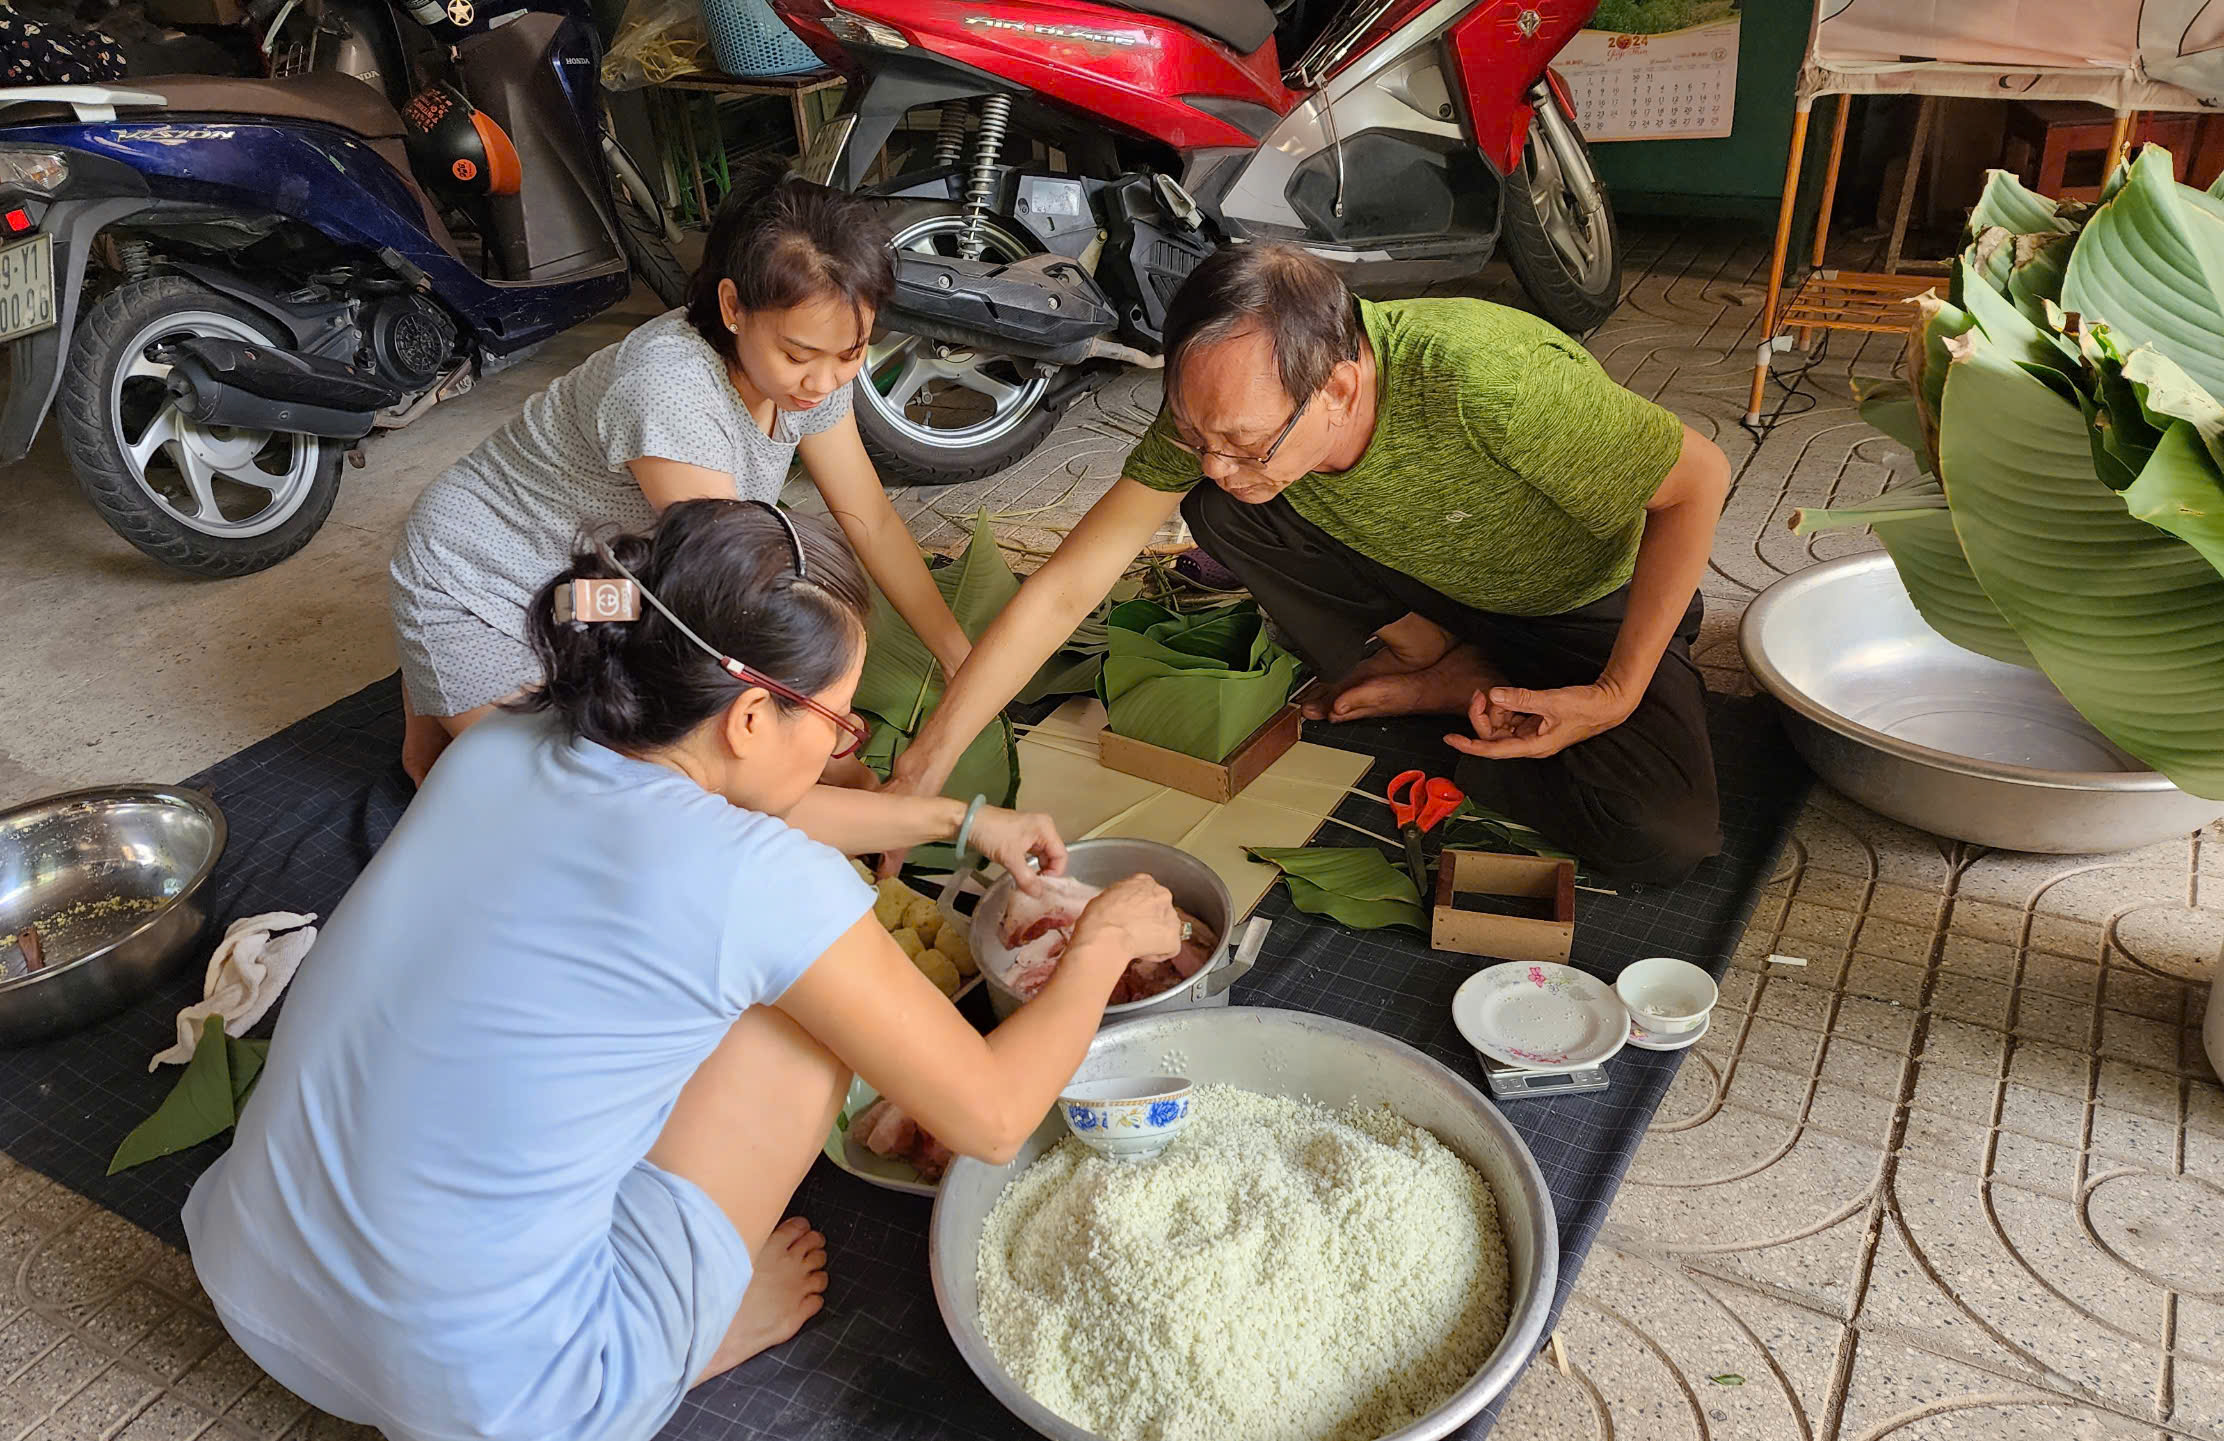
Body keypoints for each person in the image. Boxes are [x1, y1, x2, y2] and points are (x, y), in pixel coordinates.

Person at [187, 501, 1183, 1441]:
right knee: (808, 1025)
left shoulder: (496, 747)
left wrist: (955, 820)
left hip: (255, 1286)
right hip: (501, 1397)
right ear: (750, 718)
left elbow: (730, 811)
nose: (847, 743)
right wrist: (1098, 941)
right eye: (840, 722)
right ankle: (687, 1333)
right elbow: (994, 1115)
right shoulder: (763, 883)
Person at [886, 244, 1730, 884]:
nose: (1216, 456)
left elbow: (1700, 482)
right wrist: (924, 764)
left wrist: (1616, 692)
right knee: (1220, 508)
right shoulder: (1222, 409)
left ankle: (1469, 686)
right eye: (1194, 434)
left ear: (1341, 386)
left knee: (1666, 835)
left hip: (1585, 605)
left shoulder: (1487, 383)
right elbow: (1071, 583)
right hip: (1438, 583)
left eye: (1247, 441)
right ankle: (1442, 666)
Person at [390, 175, 973, 784]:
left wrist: (960, 660)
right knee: (582, 793)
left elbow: (870, 520)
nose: (825, 382)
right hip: (486, 576)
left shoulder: (812, 372)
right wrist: (834, 751)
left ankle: (446, 697)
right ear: (732, 307)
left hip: (597, 589)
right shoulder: (670, 391)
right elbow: (722, 601)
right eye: (799, 356)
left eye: (850, 353)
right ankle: (442, 657)